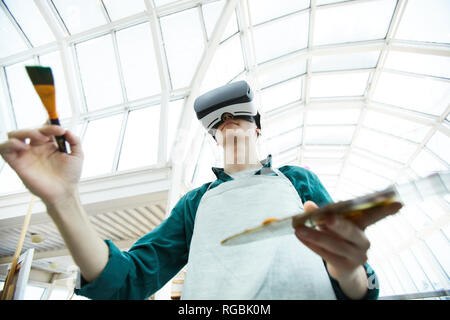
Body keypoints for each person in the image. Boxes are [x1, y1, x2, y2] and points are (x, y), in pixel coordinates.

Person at [0, 81, 400, 300]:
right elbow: (128, 281)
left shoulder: (299, 181)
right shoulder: (195, 203)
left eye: (238, 115)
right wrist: (64, 200)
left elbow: (355, 285)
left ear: (257, 126)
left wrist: (347, 267)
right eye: (217, 121)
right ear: (212, 137)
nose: (228, 121)